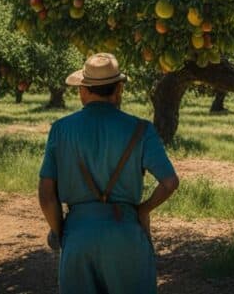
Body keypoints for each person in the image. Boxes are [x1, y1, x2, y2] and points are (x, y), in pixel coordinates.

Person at [38, 53, 180, 294]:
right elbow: (169, 182)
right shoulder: (141, 129)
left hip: (78, 234)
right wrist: (142, 210)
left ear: (83, 91)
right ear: (118, 90)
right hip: (125, 231)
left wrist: (62, 231)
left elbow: (46, 196)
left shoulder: (60, 130)